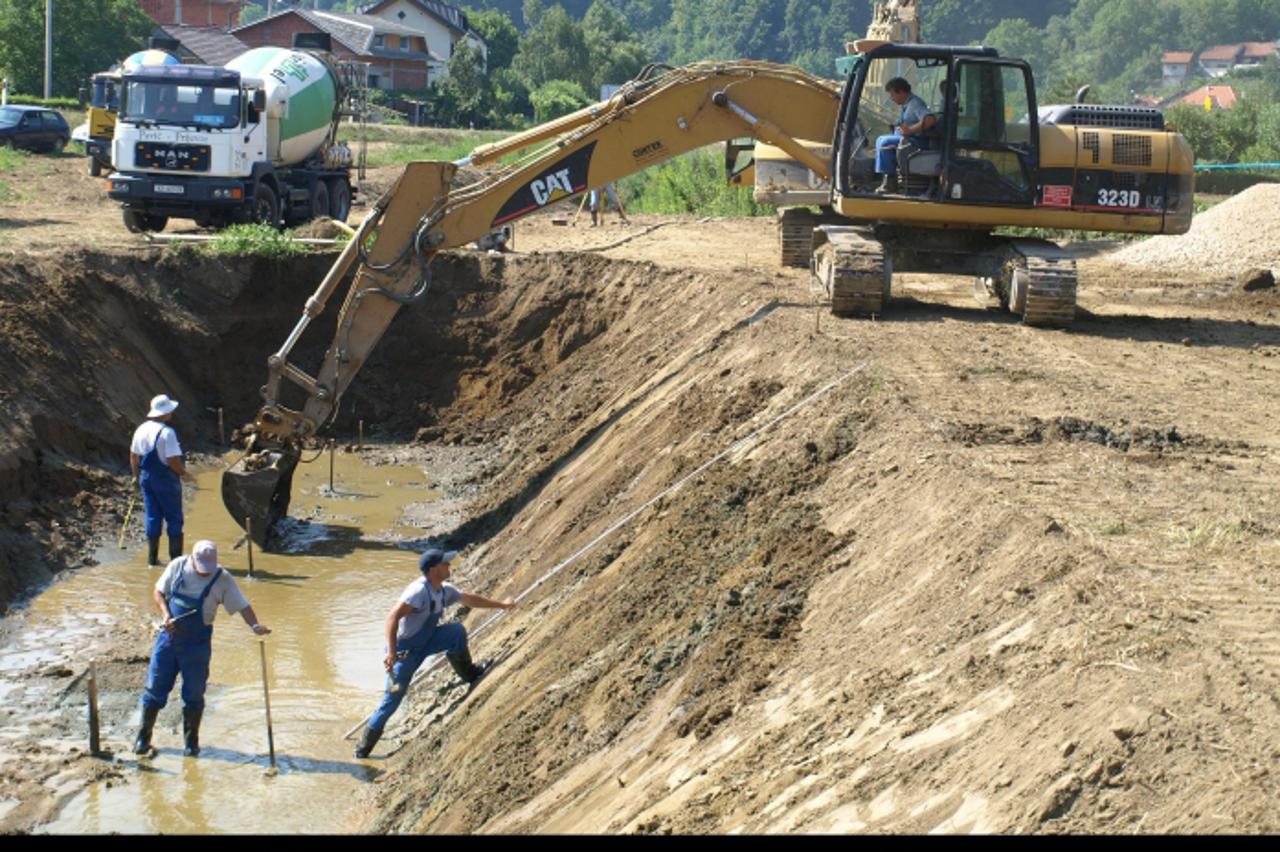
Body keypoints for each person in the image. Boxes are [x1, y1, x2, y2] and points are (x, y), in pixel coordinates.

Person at [354, 547, 515, 759]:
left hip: (428, 640)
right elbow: (391, 618)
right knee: (390, 703)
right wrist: (391, 652)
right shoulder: (418, 592)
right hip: (405, 653)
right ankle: (363, 751)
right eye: (445, 563)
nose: (449, 565)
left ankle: (470, 674)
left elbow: (469, 599)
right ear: (433, 570)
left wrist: (502, 605)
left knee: (456, 632)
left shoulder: (443, 589)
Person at [133, 540, 272, 757]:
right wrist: (166, 615)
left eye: (209, 567)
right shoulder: (178, 566)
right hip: (168, 639)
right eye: (202, 567)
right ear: (194, 560)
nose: (206, 572)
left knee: (194, 692)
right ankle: (143, 739)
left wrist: (255, 625)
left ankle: (191, 744)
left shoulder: (222, 579)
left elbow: (242, 605)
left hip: (197, 645)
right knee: (155, 687)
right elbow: (158, 592)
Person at [130, 394, 188, 567]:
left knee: (153, 516)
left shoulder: (141, 429)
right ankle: (176, 562)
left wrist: (135, 476)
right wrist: (184, 474)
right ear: (165, 412)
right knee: (174, 518)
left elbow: (133, 456)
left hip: (146, 477)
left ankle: (152, 560)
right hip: (166, 479)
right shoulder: (167, 433)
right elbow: (172, 461)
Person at [873, 77, 937, 195]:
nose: (891, 98)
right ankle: (884, 176)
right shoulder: (906, 105)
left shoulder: (915, 104)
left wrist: (910, 130)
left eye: (892, 95)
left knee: (885, 142)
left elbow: (930, 119)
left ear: (901, 92)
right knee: (880, 139)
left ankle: (890, 182)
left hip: (916, 141)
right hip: (907, 139)